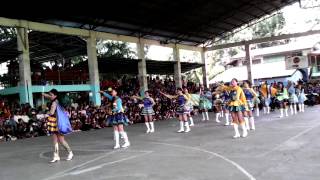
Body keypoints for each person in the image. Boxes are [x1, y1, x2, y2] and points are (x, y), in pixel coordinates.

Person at [42, 89, 73, 163]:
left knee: (61, 140)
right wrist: (44, 94)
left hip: (56, 122)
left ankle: (70, 153)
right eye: (49, 94)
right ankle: (56, 156)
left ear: (55, 95)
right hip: (56, 122)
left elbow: (51, 112)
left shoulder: (54, 103)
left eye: (51, 95)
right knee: (55, 140)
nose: (50, 96)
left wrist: (46, 111)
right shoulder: (57, 100)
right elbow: (49, 97)